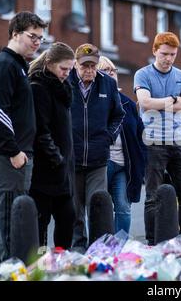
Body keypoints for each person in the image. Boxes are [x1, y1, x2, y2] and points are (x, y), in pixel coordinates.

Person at [0, 11, 47, 267]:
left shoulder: (19, 64)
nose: (37, 42)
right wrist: (14, 151)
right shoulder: (5, 65)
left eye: (40, 38)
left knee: (2, 215)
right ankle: (9, 270)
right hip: (5, 153)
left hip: (13, 152)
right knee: (9, 214)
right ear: (16, 33)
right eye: (33, 36)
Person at [134, 32, 181, 245]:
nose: (168, 59)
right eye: (164, 54)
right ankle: (152, 240)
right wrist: (173, 99)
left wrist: (161, 102)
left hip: (178, 141)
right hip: (153, 142)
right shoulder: (142, 75)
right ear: (154, 51)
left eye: (173, 54)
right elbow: (145, 103)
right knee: (152, 196)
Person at [67, 44, 124, 251]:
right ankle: (78, 247)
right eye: (85, 66)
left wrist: (108, 137)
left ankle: (98, 247)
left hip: (98, 159)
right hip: (72, 159)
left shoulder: (107, 84)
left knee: (97, 204)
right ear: (75, 64)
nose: (89, 70)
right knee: (75, 208)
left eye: (93, 65)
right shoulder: (65, 82)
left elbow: (118, 115)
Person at [28, 42, 76, 249]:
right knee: (41, 221)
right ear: (49, 63)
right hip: (46, 169)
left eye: (70, 69)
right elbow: (41, 129)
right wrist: (56, 157)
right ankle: (38, 262)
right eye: (63, 69)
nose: (66, 74)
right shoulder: (38, 88)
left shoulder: (61, 88)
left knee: (68, 217)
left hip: (62, 170)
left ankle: (60, 259)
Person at [97, 56, 146, 235]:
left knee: (124, 208)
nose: (111, 74)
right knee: (100, 208)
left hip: (124, 165)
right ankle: (99, 246)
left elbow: (140, 135)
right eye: (105, 71)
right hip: (102, 162)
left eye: (113, 71)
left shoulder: (128, 103)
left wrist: (142, 161)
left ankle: (119, 248)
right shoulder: (95, 101)